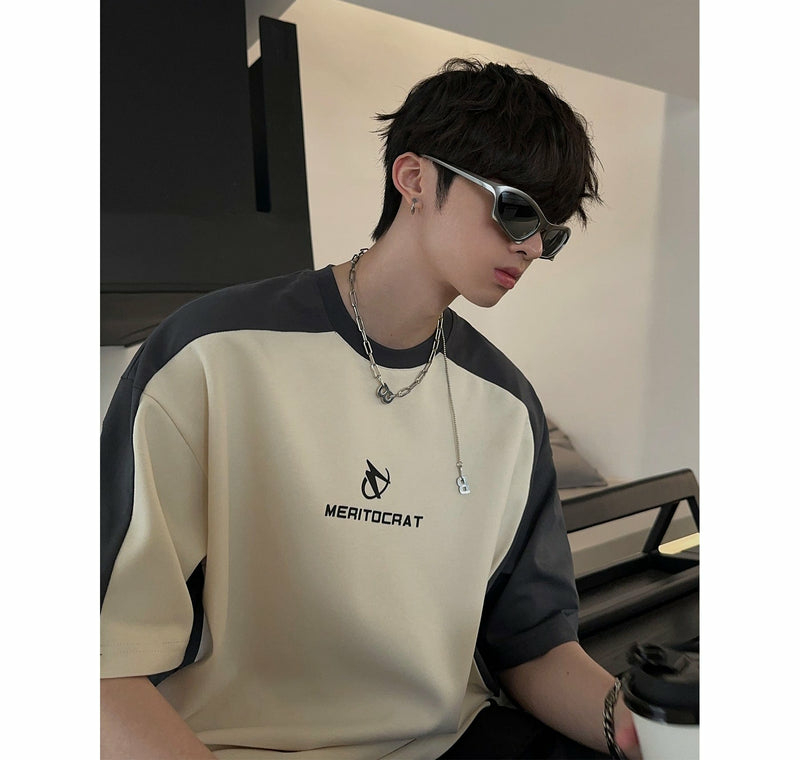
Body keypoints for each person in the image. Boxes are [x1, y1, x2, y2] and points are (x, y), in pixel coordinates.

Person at [100, 58, 642, 760]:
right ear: (414, 179)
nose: (532, 247)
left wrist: (641, 729)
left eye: (552, 232)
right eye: (516, 210)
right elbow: (102, 657)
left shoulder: (508, 406)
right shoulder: (209, 354)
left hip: (451, 743)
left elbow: (532, 644)